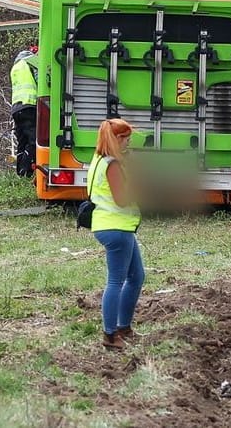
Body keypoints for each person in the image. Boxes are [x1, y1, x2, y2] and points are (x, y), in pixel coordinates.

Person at [88, 118, 144, 350]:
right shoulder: (111, 164)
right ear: (117, 139)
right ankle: (110, 335)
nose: (128, 143)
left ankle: (123, 328)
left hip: (114, 225)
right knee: (116, 281)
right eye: (126, 139)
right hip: (116, 227)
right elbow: (121, 200)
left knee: (136, 277)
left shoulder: (99, 160)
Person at [9, 46, 39, 177]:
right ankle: (26, 170)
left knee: (22, 141)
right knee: (34, 140)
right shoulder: (30, 63)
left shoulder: (15, 67)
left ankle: (19, 173)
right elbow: (40, 80)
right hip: (28, 105)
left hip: (16, 109)